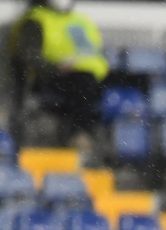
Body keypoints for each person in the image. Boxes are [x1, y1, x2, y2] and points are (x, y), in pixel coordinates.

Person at [7, 0, 109, 148]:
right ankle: (79, 135)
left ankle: (92, 140)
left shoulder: (81, 20)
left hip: (92, 76)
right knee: (82, 85)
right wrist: (55, 67)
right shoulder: (36, 20)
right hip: (51, 78)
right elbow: (28, 55)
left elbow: (96, 51)